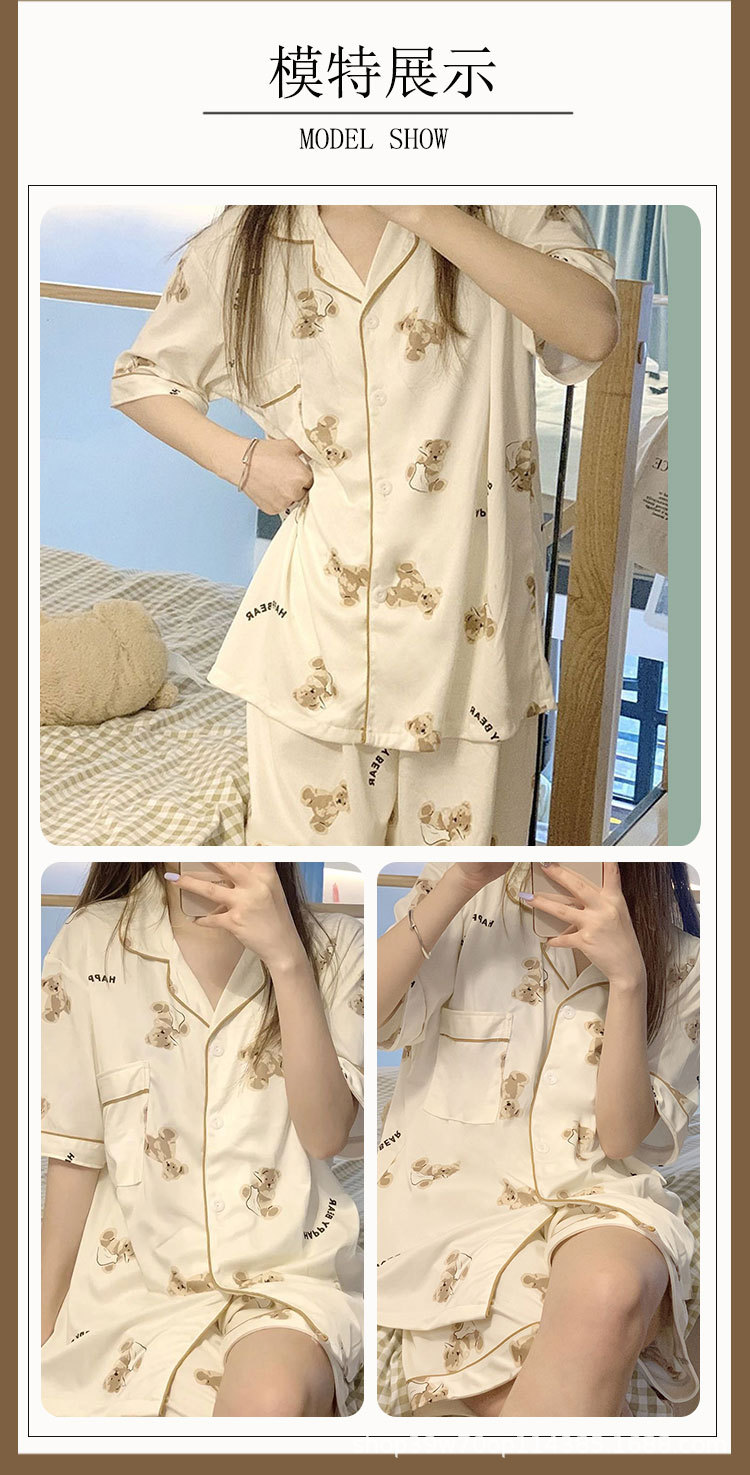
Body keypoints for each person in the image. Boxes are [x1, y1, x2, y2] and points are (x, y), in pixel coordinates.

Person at [111, 205, 620, 845]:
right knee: (313, 886)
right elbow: (142, 377)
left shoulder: (503, 205)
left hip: (472, 652)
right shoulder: (245, 238)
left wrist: (419, 208)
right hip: (315, 646)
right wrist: (242, 461)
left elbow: (591, 331)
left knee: (466, 892)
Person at [377, 861, 700, 1415]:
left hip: (597, 1199)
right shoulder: (466, 899)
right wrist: (460, 881)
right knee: (517, 1393)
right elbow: (373, 1019)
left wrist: (628, 979)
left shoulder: (686, 963)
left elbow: (621, 1139)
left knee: (611, 1288)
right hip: (450, 1217)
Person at [41, 862, 364, 1417]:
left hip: (287, 1281)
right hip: (128, 1292)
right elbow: (75, 1155)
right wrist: (37, 1330)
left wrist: (286, 961)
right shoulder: (90, 942)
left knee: (271, 1400)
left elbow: (326, 1133)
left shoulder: (335, 945)